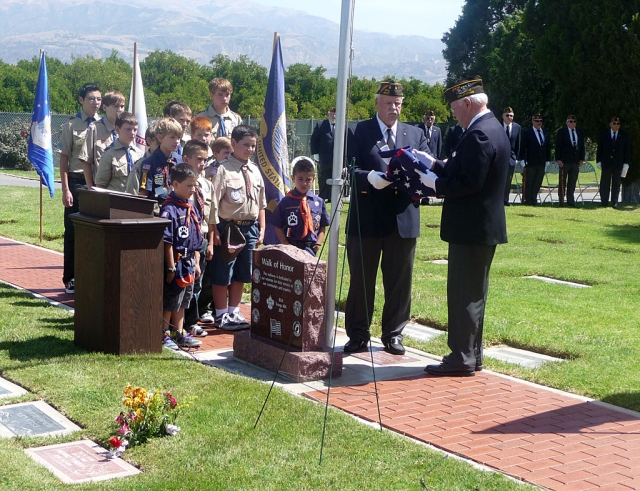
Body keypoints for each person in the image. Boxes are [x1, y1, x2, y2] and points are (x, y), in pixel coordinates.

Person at [419, 77, 509, 377]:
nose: (453, 114)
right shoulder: (490, 128)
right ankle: (472, 354)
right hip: (480, 228)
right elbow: (463, 167)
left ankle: (461, 358)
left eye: (455, 108)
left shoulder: (479, 135)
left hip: (471, 228)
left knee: (463, 295)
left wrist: (434, 184)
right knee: (474, 293)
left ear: (468, 104)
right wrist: (433, 163)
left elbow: (469, 183)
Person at [344, 79, 429, 356]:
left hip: (403, 219)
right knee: (361, 281)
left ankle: (394, 333)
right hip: (366, 218)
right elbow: (347, 171)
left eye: (398, 103)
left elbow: (428, 167)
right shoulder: (357, 131)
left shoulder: (415, 134)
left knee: (399, 282)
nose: (394, 107)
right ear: (377, 103)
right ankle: (358, 333)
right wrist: (369, 177)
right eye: (389, 102)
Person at [210, 125, 266, 330]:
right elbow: (213, 204)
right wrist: (214, 230)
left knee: (243, 272)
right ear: (233, 143)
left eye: (253, 146)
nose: (250, 150)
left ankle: (234, 311)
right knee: (223, 271)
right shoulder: (222, 169)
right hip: (228, 228)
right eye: (246, 145)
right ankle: (221, 313)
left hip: (250, 227)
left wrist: (262, 227)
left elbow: (261, 203)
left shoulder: (255, 170)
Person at [59, 83, 101, 294]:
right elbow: (64, 160)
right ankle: (70, 277)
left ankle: (91, 275)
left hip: (98, 183)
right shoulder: (71, 126)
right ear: (81, 100)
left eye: (99, 99)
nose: (96, 103)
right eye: (91, 98)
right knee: (73, 232)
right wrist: (66, 189)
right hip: (77, 183)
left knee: (96, 232)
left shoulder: (103, 126)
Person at [160, 163, 204, 349]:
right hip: (176, 262)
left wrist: (197, 262)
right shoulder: (170, 209)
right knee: (171, 301)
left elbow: (195, 237)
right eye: (189, 186)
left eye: (195, 186)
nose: (193, 190)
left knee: (183, 300)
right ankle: (164, 333)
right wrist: (170, 267)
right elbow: (167, 242)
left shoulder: (190, 207)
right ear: (175, 184)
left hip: (189, 261)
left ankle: (179, 333)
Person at [181, 140, 216, 337]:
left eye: (205, 160)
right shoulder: (181, 182)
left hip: (201, 239)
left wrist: (210, 242)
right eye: (199, 159)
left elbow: (211, 217)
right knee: (185, 282)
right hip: (185, 240)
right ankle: (183, 322)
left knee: (198, 282)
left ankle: (192, 321)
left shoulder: (207, 185)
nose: (203, 163)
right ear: (186, 159)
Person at [273, 156, 330, 256]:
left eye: (308, 180)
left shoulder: (319, 202)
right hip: (292, 245)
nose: (304, 183)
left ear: (313, 179)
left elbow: (322, 226)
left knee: (309, 271)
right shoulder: (286, 201)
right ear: (293, 178)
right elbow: (277, 225)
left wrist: (318, 243)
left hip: (311, 247)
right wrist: (285, 243)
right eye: (300, 179)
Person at [80, 90, 125, 188]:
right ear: (105, 107)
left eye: (122, 106)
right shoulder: (95, 128)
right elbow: (86, 161)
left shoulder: (127, 129)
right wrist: (91, 188)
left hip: (122, 187)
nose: (120, 110)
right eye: (116, 106)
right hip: (102, 186)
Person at [94, 112, 144, 192]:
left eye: (135, 130)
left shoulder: (139, 154)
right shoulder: (109, 154)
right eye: (128, 129)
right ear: (117, 129)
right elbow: (100, 185)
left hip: (134, 200)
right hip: (115, 200)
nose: (132, 133)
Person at [138, 118, 182, 208]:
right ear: (160, 137)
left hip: (177, 208)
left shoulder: (179, 161)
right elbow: (144, 192)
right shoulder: (149, 164)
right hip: (157, 209)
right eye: (172, 137)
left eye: (178, 138)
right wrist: (164, 191)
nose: (176, 141)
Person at [596, 116, 631, 208]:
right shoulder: (604, 134)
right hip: (606, 162)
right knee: (604, 183)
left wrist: (626, 163)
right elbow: (600, 149)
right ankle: (604, 201)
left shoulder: (624, 135)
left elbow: (626, 150)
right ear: (610, 124)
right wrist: (598, 161)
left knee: (616, 183)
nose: (616, 125)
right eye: (614, 123)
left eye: (618, 124)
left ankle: (614, 201)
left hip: (618, 163)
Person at [520, 113, 551, 206]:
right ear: (533, 121)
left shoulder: (545, 132)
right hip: (530, 162)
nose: (539, 123)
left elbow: (547, 147)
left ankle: (534, 198)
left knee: (538, 181)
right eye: (537, 121)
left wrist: (548, 160)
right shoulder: (527, 132)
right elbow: (523, 147)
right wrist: (522, 159)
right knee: (529, 181)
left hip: (541, 162)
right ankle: (527, 199)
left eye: (540, 121)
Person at [555, 114, 585, 207]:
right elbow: (558, 146)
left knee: (572, 181)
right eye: (570, 121)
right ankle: (561, 200)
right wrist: (558, 159)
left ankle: (571, 200)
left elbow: (581, 147)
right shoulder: (562, 132)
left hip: (575, 161)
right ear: (567, 122)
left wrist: (581, 159)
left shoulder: (579, 131)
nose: (572, 123)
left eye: (574, 122)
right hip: (564, 161)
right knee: (562, 181)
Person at [309, 107, 336, 201]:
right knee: (323, 177)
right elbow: (313, 140)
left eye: (336, 114)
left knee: (335, 177)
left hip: (337, 159)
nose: (334, 116)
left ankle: (333, 197)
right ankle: (323, 197)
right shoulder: (321, 125)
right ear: (329, 114)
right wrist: (315, 153)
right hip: (324, 158)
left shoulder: (342, 126)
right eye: (332, 113)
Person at [126, 120, 159, 196]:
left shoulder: (170, 163)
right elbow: (132, 195)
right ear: (149, 140)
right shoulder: (140, 165)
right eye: (159, 143)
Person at [501, 107, 521, 206]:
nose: (509, 117)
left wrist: (516, 158)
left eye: (511, 116)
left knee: (508, 180)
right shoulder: (498, 126)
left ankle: (505, 200)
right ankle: (498, 200)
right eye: (507, 115)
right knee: (499, 179)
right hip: (499, 158)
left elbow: (518, 144)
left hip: (511, 158)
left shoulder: (517, 127)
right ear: (503, 116)